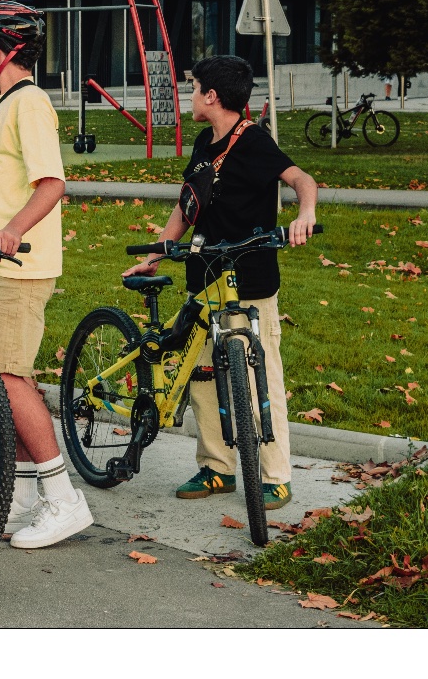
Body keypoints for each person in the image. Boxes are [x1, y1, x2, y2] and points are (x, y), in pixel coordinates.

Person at [123, 54, 318, 512]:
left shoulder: (253, 141)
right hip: (204, 276)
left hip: (248, 281)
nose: (190, 96)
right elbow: (185, 207)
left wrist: (304, 212)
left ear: (212, 97)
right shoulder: (203, 143)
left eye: (193, 89)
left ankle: (275, 476)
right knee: (205, 377)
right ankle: (217, 468)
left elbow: (300, 179)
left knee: (258, 378)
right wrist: (157, 252)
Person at [0, 1, 93, 550]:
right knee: (10, 382)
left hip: (19, 263)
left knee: (9, 381)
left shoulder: (29, 103)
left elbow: (52, 183)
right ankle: (16, 500)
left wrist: (10, 228)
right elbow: (0, 172)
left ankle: (63, 501)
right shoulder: (3, 105)